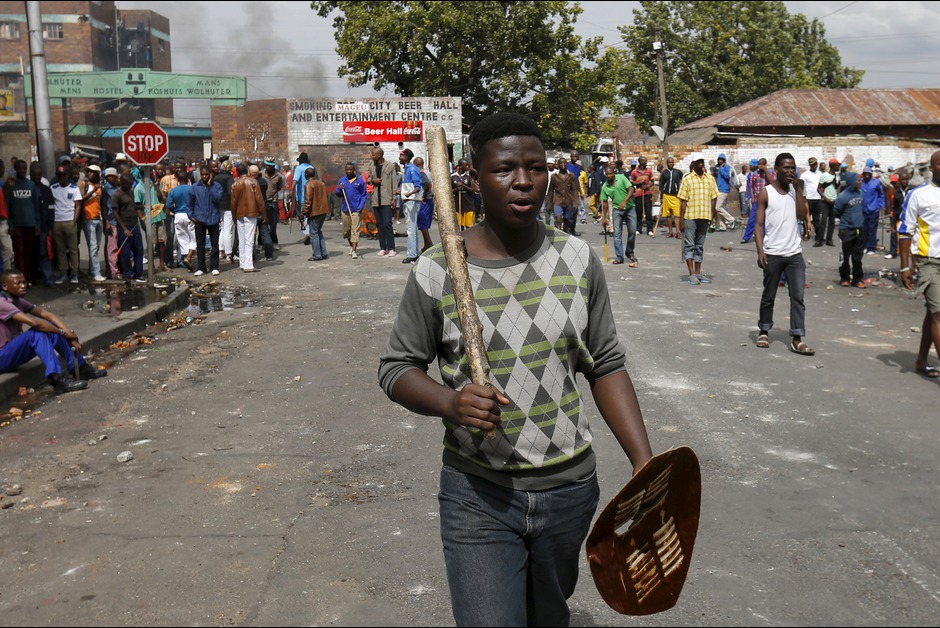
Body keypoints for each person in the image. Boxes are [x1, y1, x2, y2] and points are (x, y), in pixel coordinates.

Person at [377, 112, 653, 627]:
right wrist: (450, 402)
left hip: (570, 489)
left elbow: (607, 363)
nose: (523, 181)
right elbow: (397, 368)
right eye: (504, 169)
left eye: (535, 167)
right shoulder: (438, 268)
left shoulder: (576, 258)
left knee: (547, 617)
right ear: (474, 178)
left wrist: (644, 463)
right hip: (477, 494)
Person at [0, 269, 108, 394]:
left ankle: (80, 367)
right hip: (2, 358)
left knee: (50, 328)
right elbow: (35, 323)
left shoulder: (18, 301)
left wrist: (69, 335)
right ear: (5, 287)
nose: (23, 286)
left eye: (24, 282)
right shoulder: (2, 303)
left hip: (11, 353)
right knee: (37, 332)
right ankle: (57, 379)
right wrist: (63, 333)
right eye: (18, 283)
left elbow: (48, 315)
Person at [753, 153, 814, 355]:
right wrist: (760, 251)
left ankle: (797, 338)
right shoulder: (766, 193)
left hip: (794, 254)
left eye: (793, 168)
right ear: (776, 169)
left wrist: (797, 190)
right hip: (773, 253)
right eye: (786, 168)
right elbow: (759, 225)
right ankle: (764, 330)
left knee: (798, 296)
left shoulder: (795, 191)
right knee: (769, 295)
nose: (790, 171)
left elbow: (799, 214)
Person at [898, 149, 940, 380]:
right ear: (932, 168)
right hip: (929, 261)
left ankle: (922, 360)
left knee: (932, 313)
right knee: (939, 313)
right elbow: (905, 231)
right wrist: (906, 267)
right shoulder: (918, 195)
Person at [678, 157, 719, 285]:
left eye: (702, 163)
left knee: (699, 245)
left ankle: (698, 272)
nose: (701, 166)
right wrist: (681, 219)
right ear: (693, 165)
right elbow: (683, 201)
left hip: (705, 216)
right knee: (690, 244)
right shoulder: (688, 179)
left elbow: (713, 199)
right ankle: (691, 274)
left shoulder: (710, 179)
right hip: (690, 216)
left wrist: (712, 217)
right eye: (698, 164)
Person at [5, 159, 40, 283]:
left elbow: (36, 206)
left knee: (28, 253)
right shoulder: (9, 185)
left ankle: (28, 278)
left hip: (30, 223)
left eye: (24, 168)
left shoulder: (31, 185)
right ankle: (20, 279)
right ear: (15, 169)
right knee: (18, 253)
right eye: (19, 168)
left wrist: (37, 224)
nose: (22, 171)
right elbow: (7, 206)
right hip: (17, 225)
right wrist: (10, 224)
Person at [833, 170, 866, 289]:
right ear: (852, 181)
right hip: (846, 230)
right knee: (845, 257)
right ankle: (845, 278)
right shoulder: (843, 196)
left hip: (859, 229)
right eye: (858, 180)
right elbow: (837, 211)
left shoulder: (861, 193)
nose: (860, 182)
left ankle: (857, 279)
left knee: (857, 257)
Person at [49, 165, 82, 284]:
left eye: (64, 175)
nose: (62, 177)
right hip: (57, 221)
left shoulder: (74, 188)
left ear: (67, 176)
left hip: (70, 221)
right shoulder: (53, 188)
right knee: (60, 249)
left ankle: (74, 273)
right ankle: (63, 273)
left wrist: (75, 220)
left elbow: (78, 204)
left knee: (73, 249)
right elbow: (50, 205)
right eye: (59, 175)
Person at [110, 173, 145, 282]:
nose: (131, 186)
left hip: (135, 224)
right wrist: (124, 228)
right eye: (129, 184)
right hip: (124, 225)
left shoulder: (130, 192)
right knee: (125, 251)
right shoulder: (117, 195)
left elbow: (133, 206)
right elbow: (115, 213)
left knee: (139, 249)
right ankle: (127, 273)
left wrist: (144, 206)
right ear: (123, 183)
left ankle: (138, 273)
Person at [189, 165, 223, 277]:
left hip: (213, 218)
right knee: (200, 245)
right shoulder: (194, 187)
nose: (204, 176)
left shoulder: (217, 186)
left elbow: (217, 199)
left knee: (214, 244)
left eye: (206, 174)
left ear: (210, 175)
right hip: (199, 219)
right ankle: (201, 267)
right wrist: (192, 216)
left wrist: (210, 186)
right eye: (202, 174)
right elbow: (189, 204)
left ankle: (214, 266)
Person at [231, 163, 264, 273]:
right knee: (249, 239)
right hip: (251, 213)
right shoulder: (253, 182)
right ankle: (248, 265)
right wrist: (264, 214)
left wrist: (234, 215)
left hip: (239, 213)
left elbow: (233, 202)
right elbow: (259, 199)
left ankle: (243, 262)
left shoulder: (235, 184)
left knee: (242, 239)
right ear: (247, 171)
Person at [600, 164, 636, 266]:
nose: (608, 176)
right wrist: (605, 217)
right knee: (617, 234)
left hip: (630, 208)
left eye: (610, 174)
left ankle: (629, 252)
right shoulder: (605, 186)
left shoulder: (622, 178)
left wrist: (625, 201)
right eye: (607, 174)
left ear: (614, 173)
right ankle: (619, 257)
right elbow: (605, 202)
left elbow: (631, 189)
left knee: (632, 231)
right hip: (617, 210)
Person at [77, 164, 105, 281]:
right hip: (88, 219)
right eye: (88, 172)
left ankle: (91, 270)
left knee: (96, 247)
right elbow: (80, 199)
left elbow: (101, 203)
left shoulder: (100, 187)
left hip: (98, 218)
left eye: (92, 172)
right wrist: (93, 190)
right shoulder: (84, 184)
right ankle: (96, 273)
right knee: (93, 247)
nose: (89, 174)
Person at [369, 147, 398, 257]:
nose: (372, 156)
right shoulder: (371, 165)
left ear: (380, 155)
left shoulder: (390, 166)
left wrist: (394, 198)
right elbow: (368, 179)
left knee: (387, 224)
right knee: (379, 224)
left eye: (374, 155)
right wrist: (373, 180)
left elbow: (394, 182)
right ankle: (383, 247)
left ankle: (391, 248)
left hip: (387, 198)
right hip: (376, 199)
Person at [165, 168, 195, 271]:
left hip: (178, 215)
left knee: (182, 239)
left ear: (178, 180)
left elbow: (168, 205)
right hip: (189, 214)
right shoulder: (191, 189)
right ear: (187, 180)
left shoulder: (173, 191)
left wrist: (175, 209)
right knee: (193, 238)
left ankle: (186, 258)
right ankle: (188, 258)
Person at [336, 161, 367, 260]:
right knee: (347, 231)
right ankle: (351, 246)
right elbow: (338, 194)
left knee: (355, 230)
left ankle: (354, 250)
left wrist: (361, 206)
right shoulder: (342, 181)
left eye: (351, 169)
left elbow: (364, 195)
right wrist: (340, 189)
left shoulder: (359, 181)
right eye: (347, 169)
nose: (349, 171)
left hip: (356, 210)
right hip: (345, 209)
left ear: (354, 170)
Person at [398, 148, 423, 264]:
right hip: (408, 200)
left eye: (401, 156)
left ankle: (412, 255)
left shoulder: (412, 169)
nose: (399, 157)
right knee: (412, 228)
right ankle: (415, 253)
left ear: (407, 157)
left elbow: (418, 186)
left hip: (412, 201)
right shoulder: (407, 169)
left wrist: (409, 193)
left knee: (411, 229)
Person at [301, 166, 328, 261]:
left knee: (314, 234)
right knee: (318, 232)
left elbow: (308, 201)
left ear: (306, 175)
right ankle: (323, 253)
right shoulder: (322, 184)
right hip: (323, 211)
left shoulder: (309, 185)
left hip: (314, 212)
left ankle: (317, 255)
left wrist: (303, 213)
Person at [551, 156, 579, 235]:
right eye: (561, 163)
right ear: (558, 165)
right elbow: (550, 190)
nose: (563, 164)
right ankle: (558, 234)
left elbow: (574, 190)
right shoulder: (554, 176)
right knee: (558, 218)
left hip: (568, 200)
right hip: (557, 200)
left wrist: (575, 202)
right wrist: (549, 204)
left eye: (564, 163)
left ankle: (565, 232)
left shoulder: (571, 176)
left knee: (567, 219)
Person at [860, 165, 884, 255]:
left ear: (871, 174)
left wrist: (881, 205)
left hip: (874, 209)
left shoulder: (876, 182)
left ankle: (871, 247)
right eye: (865, 173)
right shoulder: (861, 183)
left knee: (872, 229)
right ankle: (865, 246)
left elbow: (881, 194)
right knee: (864, 229)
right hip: (863, 209)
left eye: (868, 173)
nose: (866, 175)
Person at [886, 171, 910, 260]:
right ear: (899, 180)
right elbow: (895, 207)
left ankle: (912, 253)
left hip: (910, 217)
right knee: (894, 232)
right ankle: (893, 252)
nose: (904, 181)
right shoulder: (896, 192)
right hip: (899, 216)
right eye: (902, 180)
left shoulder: (912, 190)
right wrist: (893, 223)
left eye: (906, 179)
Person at [816, 159, 840, 247]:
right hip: (825, 202)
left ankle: (829, 240)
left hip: (834, 201)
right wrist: (825, 198)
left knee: (832, 222)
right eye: (837, 165)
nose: (838, 167)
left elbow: (838, 187)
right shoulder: (824, 176)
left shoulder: (837, 176)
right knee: (823, 221)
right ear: (832, 166)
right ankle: (819, 240)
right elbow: (818, 188)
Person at [658, 156, 683, 238]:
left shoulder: (678, 172)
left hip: (675, 196)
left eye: (672, 162)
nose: (671, 164)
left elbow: (682, 182)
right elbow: (661, 186)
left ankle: (678, 232)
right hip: (666, 196)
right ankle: (670, 231)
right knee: (668, 215)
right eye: (669, 162)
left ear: (674, 163)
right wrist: (661, 198)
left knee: (677, 215)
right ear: (667, 163)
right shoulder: (664, 173)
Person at [414, 156, 435, 252]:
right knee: (423, 223)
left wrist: (423, 196)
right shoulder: (428, 172)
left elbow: (426, 183)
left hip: (426, 200)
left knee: (423, 223)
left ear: (417, 164)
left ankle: (429, 243)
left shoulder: (421, 173)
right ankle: (427, 243)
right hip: (429, 199)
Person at [630, 155, 655, 236]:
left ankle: (650, 229)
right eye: (644, 161)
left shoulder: (649, 171)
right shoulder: (634, 172)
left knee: (648, 212)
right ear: (640, 162)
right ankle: (638, 229)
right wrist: (638, 183)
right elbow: (631, 181)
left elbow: (652, 182)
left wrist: (647, 186)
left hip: (647, 193)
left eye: (646, 161)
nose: (645, 162)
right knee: (639, 212)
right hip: (638, 193)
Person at [451, 158, 478, 231]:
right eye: (465, 165)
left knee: (470, 227)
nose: (467, 167)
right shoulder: (452, 177)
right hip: (458, 205)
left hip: (469, 204)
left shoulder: (469, 177)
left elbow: (473, 190)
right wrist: (457, 189)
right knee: (460, 227)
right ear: (460, 166)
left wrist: (464, 186)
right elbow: (450, 191)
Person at [800, 157, 822, 245]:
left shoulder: (820, 174)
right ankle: (806, 233)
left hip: (818, 199)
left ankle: (818, 235)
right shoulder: (805, 175)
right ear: (810, 165)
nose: (815, 166)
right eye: (813, 164)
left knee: (817, 219)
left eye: (816, 164)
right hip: (808, 199)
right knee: (806, 218)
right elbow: (801, 186)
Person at [712, 153, 737, 231]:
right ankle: (722, 226)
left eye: (721, 160)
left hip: (724, 189)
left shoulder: (727, 167)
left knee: (718, 207)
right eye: (719, 160)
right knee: (720, 207)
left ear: (724, 160)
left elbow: (728, 176)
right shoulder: (718, 167)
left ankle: (731, 220)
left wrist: (721, 170)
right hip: (718, 189)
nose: (719, 161)